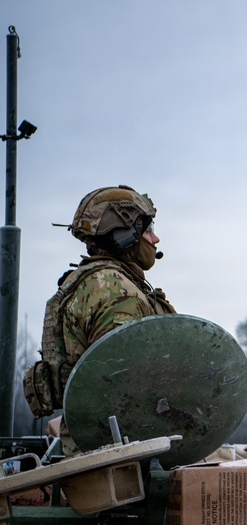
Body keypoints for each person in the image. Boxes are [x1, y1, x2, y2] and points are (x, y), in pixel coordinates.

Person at [22, 185, 176, 454]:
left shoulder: (87, 282)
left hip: (91, 447)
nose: (156, 239)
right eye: (148, 230)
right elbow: (121, 386)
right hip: (116, 454)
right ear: (125, 236)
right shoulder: (116, 292)